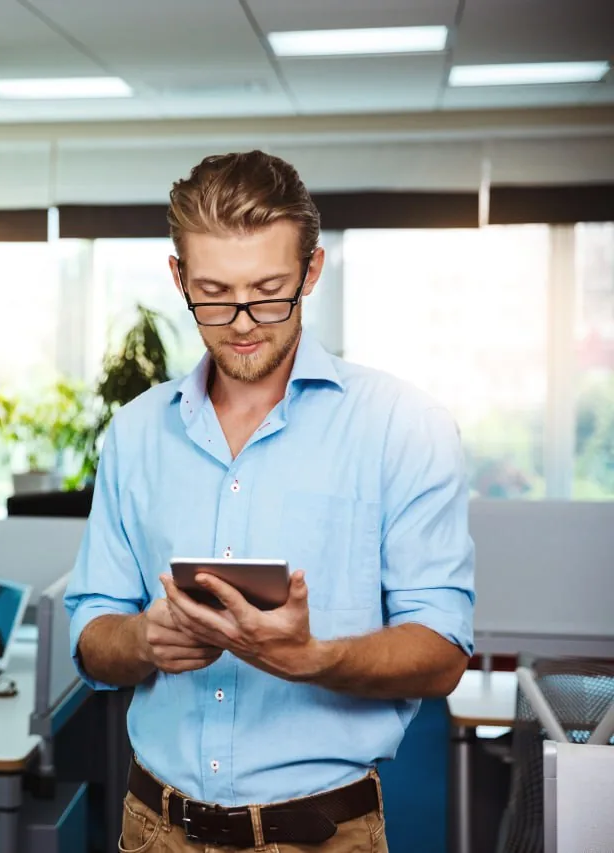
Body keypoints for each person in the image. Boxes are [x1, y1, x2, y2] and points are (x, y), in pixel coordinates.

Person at [64, 151, 475, 853]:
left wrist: (312, 657)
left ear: (311, 272)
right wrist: (141, 641)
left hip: (321, 836)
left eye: (270, 289)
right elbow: (90, 630)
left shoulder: (405, 426)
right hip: (152, 828)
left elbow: (441, 652)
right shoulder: (135, 433)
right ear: (178, 278)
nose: (243, 320)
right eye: (213, 293)